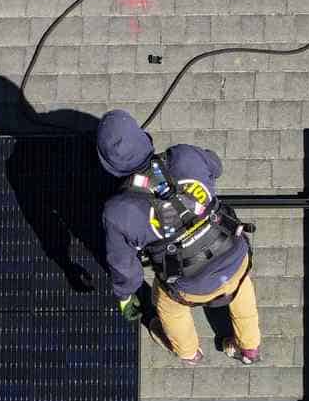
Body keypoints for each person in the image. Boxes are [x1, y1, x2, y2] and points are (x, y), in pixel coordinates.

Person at [95, 109, 260, 366]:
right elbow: (216, 166)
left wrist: (126, 296)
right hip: (234, 254)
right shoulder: (184, 155)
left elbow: (124, 267)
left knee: (170, 308)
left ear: (109, 166)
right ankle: (249, 348)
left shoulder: (118, 212)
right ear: (144, 138)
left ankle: (189, 352)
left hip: (188, 286)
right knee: (240, 288)